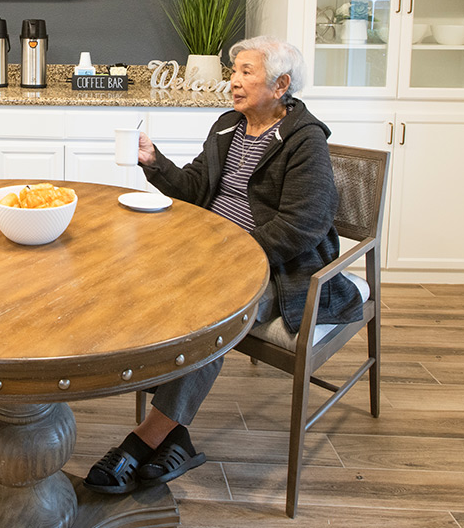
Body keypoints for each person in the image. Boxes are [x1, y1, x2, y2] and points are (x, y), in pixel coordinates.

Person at [84, 36, 364, 495]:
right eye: (234, 71)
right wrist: (154, 163)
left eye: (245, 72)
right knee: (133, 273)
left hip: (274, 268)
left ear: (281, 84)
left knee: (210, 311)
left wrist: (237, 257)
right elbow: (195, 188)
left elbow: (305, 225)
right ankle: (175, 433)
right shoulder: (227, 126)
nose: (232, 82)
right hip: (210, 252)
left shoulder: (304, 141)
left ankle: (145, 438)